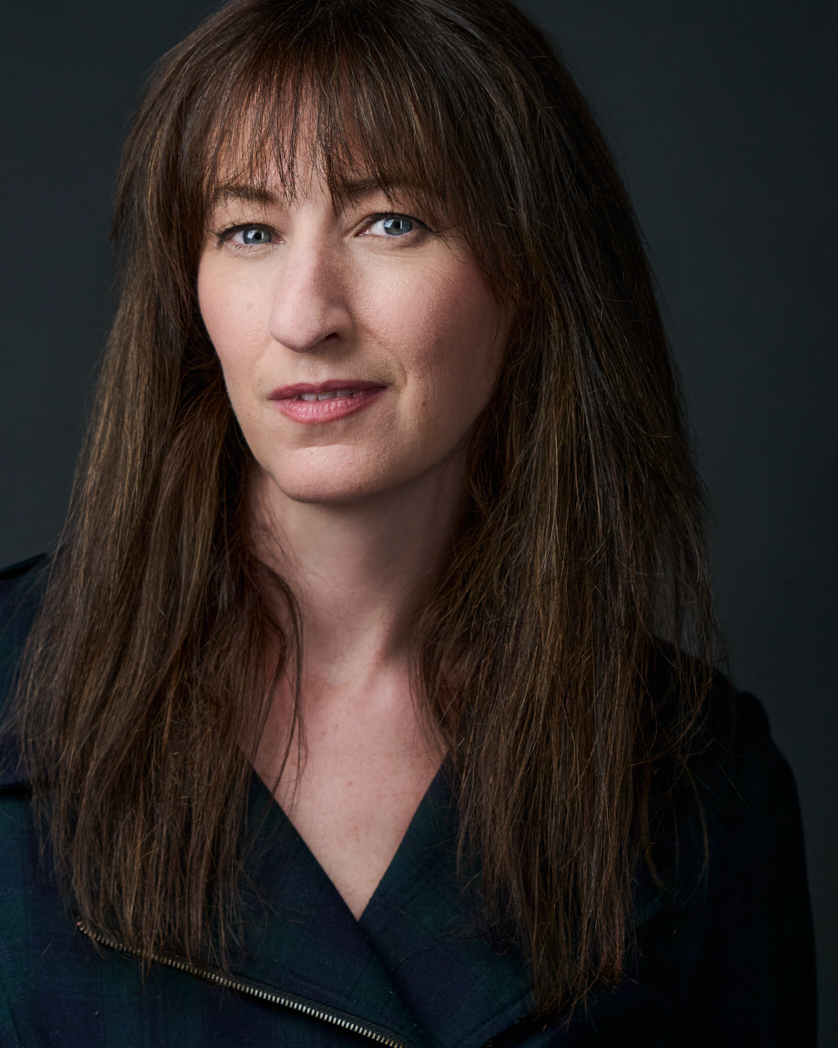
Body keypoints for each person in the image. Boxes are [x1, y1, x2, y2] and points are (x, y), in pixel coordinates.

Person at [0, 0, 816, 1044]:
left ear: (530, 271)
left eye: (390, 221)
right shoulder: (16, 684)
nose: (305, 316)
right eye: (249, 231)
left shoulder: (699, 783)